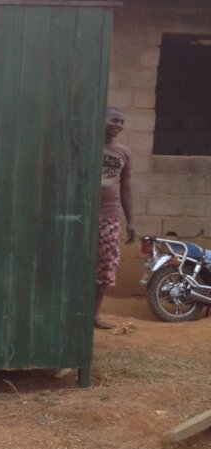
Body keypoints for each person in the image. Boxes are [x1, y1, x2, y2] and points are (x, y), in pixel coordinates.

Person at [95, 106, 135, 329]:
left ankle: (94, 315)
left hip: (109, 217)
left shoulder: (124, 153)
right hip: (82, 216)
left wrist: (131, 221)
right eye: (114, 120)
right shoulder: (89, 147)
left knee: (105, 267)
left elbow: (126, 189)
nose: (119, 125)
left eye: (122, 122)